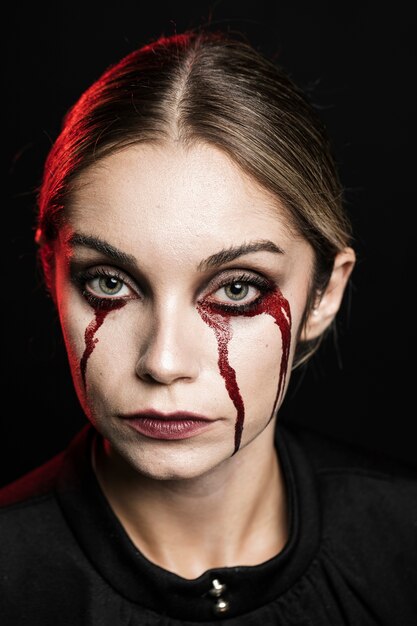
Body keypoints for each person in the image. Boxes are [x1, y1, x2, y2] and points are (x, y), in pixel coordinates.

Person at [0, 27, 416, 626]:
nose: (164, 361)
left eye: (237, 289)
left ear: (325, 294)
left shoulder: (402, 541)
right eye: (110, 282)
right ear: (51, 271)